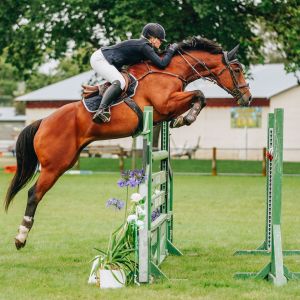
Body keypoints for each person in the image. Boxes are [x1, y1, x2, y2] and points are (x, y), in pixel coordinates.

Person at [90, 23, 179, 123]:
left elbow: (156, 61)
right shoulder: (144, 46)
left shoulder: (145, 47)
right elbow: (162, 64)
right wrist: (171, 50)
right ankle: (101, 110)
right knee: (120, 82)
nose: (161, 43)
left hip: (107, 60)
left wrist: (167, 52)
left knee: (124, 81)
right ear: (152, 38)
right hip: (100, 59)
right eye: (160, 40)